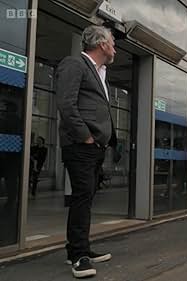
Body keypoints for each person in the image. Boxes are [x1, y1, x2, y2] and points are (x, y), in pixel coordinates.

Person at [55, 25, 117, 278]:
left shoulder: (100, 71)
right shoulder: (74, 64)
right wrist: (86, 137)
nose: (115, 47)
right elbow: (66, 104)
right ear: (102, 44)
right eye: (112, 42)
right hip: (81, 145)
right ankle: (78, 256)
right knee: (81, 198)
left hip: (95, 147)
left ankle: (81, 248)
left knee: (86, 198)